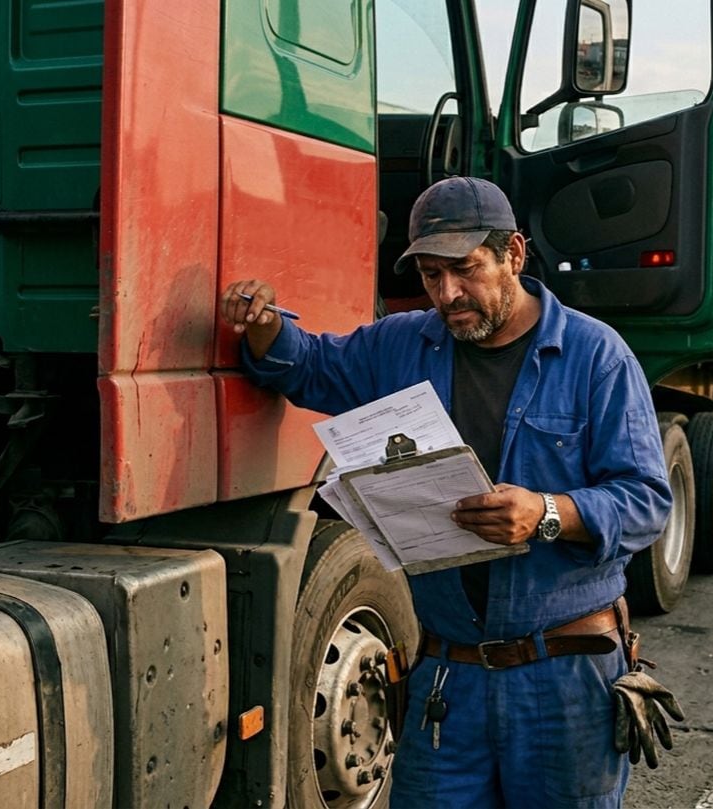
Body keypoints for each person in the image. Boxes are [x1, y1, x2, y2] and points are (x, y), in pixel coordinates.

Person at [220, 177, 673, 808]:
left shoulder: (596, 357)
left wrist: (546, 513)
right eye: (432, 275)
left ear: (514, 253)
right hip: (448, 678)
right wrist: (265, 325)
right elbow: (309, 366)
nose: (448, 294)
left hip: (564, 675)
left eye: (464, 270)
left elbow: (648, 501)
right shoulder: (402, 344)